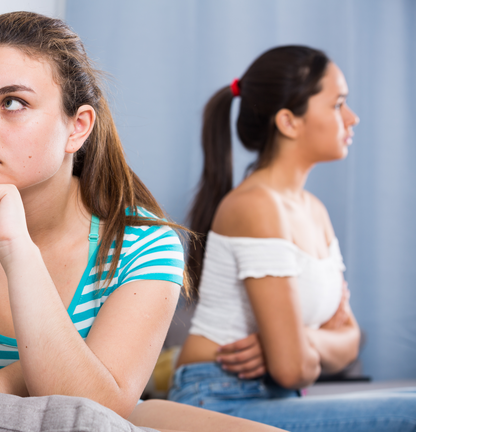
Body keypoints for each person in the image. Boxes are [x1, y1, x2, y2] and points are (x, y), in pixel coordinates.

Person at [0, 11, 280, 432]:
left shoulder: (145, 242)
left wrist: (17, 252)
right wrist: (20, 377)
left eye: (12, 103)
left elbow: (98, 415)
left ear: (78, 127)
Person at [168, 45, 415, 431]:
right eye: (338, 104)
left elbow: (350, 341)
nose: (353, 118)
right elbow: (293, 369)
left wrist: (302, 341)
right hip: (216, 400)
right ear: (289, 121)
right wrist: (309, 345)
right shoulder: (256, 206)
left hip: (273, 400)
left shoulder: (314, 211)